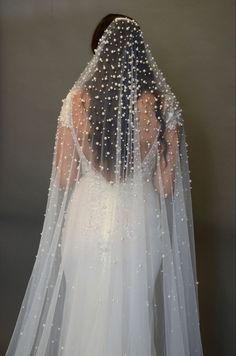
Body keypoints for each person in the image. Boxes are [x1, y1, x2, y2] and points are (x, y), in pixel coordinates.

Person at [5, 14, 204, 356]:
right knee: (132, 317)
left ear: (98, 53)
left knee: (84, 313)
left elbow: (65, 177)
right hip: (138, 222)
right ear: (141, 55)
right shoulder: (162, 104)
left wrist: (92, 155)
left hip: (87, 219)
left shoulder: (76, 101)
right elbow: (166, 184)